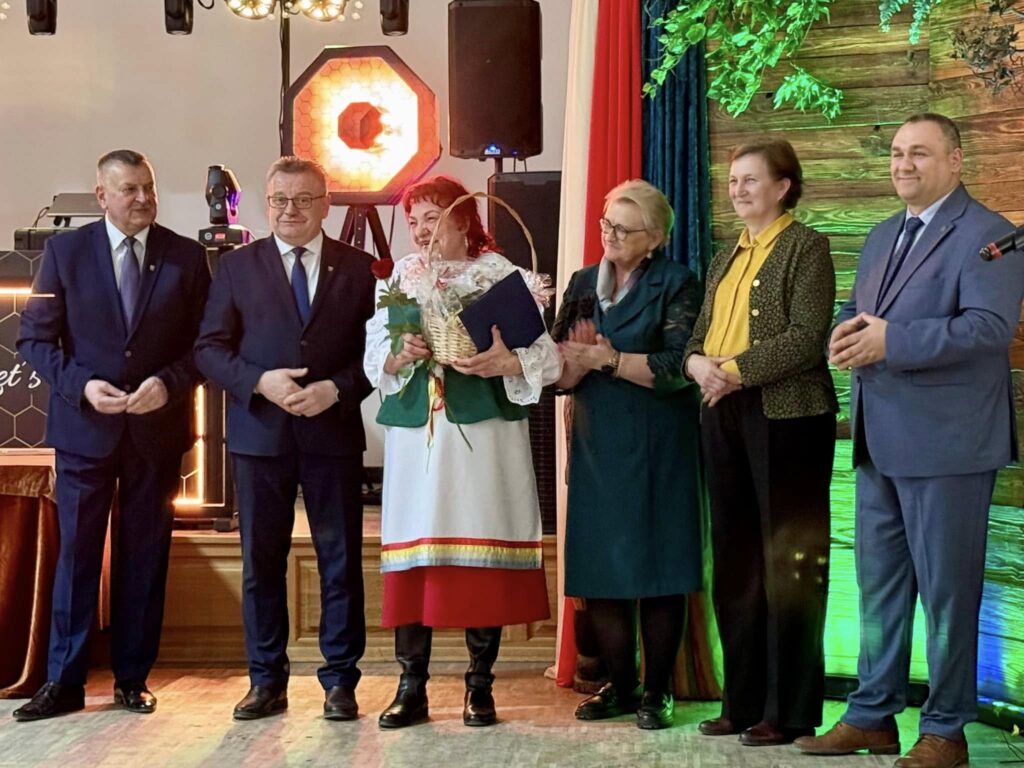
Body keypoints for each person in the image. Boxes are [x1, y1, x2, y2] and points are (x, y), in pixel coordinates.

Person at [795, 113, 1024, 768]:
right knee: (880, 589)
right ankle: (871, 715)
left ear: (955, 160)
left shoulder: (992, 237)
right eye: (897, 152)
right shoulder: (881, 233)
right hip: (879, 441)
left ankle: (946, 730)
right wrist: (841, 334)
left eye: (919, 153)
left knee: (948, 595)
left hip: (950, 447)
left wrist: (892, 341)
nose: (903, 164)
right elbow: (857, 310)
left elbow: (988, 328)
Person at [14, 149, 211, 721]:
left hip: (156, 431)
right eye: (129, 190)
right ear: (101, 195)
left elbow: (206, 346)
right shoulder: (65, 253)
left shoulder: (185, 256)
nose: (143, 199)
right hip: (84, 431)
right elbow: (34, 340)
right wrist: (83, 387)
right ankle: (64, 681)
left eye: (149, 187)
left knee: (145, 555)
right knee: (77, 556)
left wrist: (168, 384)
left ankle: (132, 678)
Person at [364, 175, 560, 729]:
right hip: (419, 439)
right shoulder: (402, 276)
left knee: (481, 545)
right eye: (414, 220)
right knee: (415, 549)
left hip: (484, 439)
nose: (421, 230)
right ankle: (412, 686)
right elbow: (374, 353)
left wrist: (506, 362)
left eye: (432, 217)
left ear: (464, 220)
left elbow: (547, 359)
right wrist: (398, 354)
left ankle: (480, 686)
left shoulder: (499, 275)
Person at [194, 156, 374, 721]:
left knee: (340, 562)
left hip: (332, 434)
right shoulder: (236, 267)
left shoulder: (360, 269)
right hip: (259, 436)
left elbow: (378, 357)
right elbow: (209, 349)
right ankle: (266, 681)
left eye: (303, 200)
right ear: (266, 203)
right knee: (261, 563)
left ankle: (340, 681)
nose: (290, 210)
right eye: (279, 200)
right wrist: (259, 382)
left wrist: (337, 390)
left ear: (326, 205)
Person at [683, 138, 837, 746]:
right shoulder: (726, 255)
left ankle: (790, 710)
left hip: (788, 415)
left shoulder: (807, 247)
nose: (738, 189)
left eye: (751, 179)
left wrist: (734, 372)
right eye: (733, 180)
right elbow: (697, 336)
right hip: (722, 409)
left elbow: (805, 337)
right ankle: (741, 702)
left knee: (789, 567)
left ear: (783, 187)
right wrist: (698, 365)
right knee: (736, 560)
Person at [554, 179, 702, 731]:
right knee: (602, 568)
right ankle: (620, 684)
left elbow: (678, 366)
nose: (610, 236)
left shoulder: (677, 282)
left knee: (659, 567)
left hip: (660, 438)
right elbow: (558, 363)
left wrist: (609, 360)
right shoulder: (581, 282)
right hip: (598, 440)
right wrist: (572, 365)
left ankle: (657, 690)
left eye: (623, 228)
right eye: (606, 224)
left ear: (655, 238)